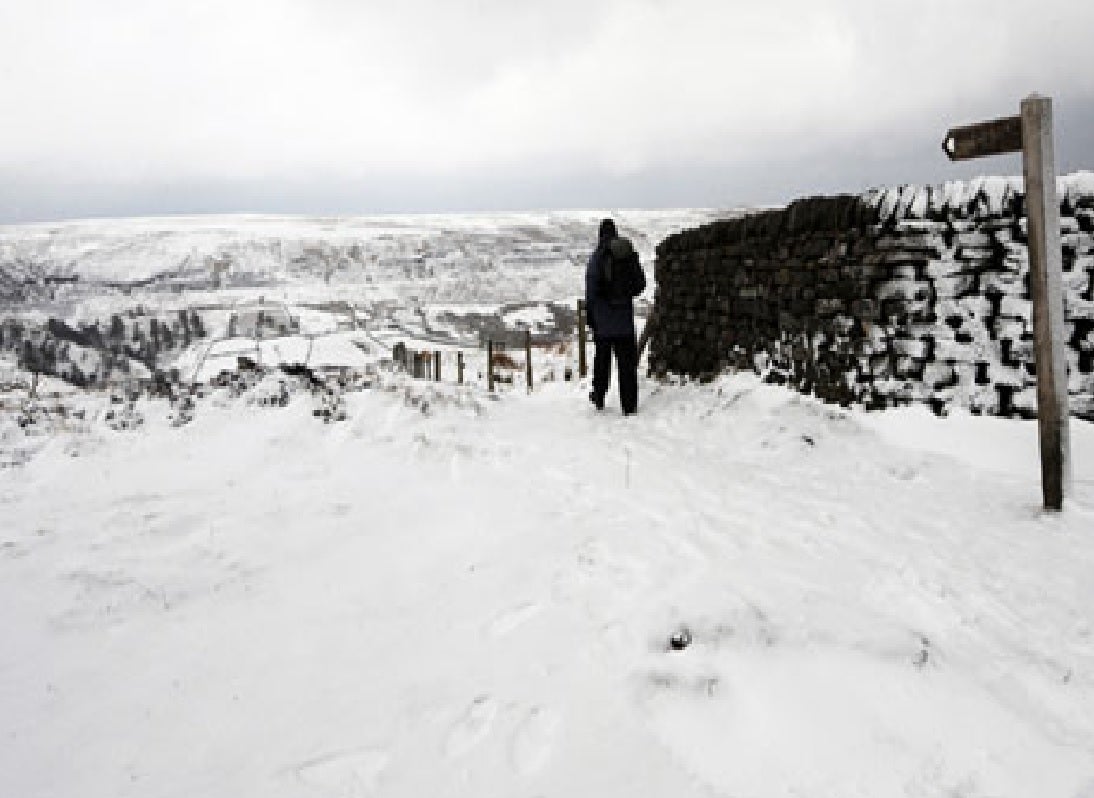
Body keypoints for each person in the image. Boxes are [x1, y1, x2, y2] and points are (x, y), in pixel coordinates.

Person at [585, 218, 646, 415]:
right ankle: (629, 406)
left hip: (603, 322)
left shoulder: (597, 257)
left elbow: (591, 291)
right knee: (627, 365)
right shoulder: (626, 254)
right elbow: (640, 285)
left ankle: (599, 396)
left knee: (602, 361)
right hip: (624, 321)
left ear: (601, 234)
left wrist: (591, 317)